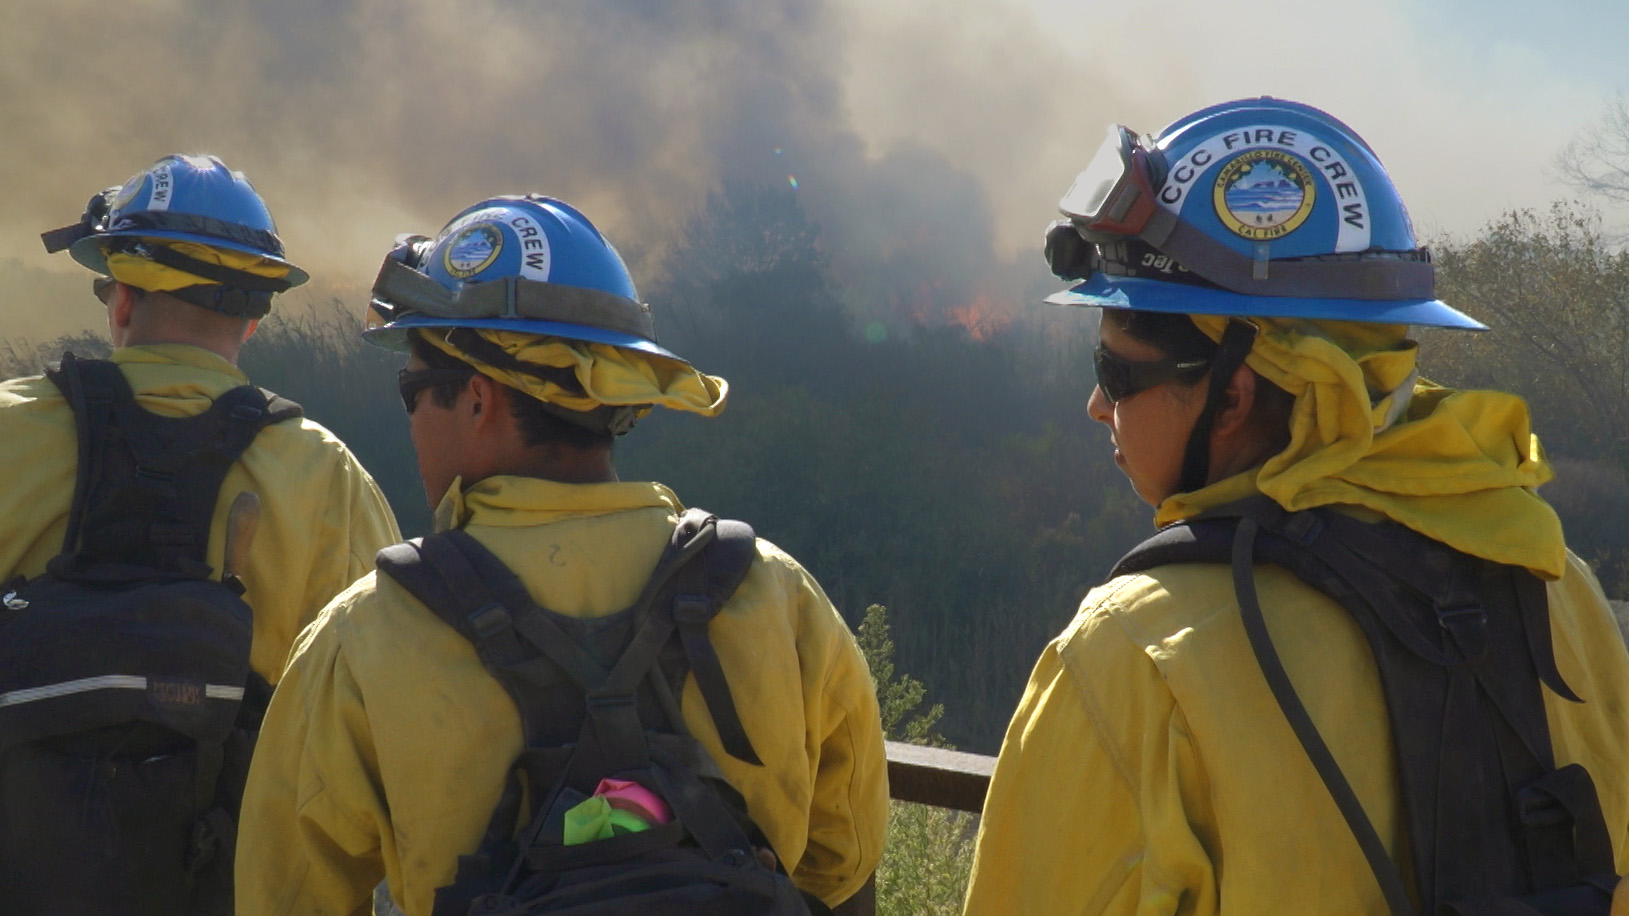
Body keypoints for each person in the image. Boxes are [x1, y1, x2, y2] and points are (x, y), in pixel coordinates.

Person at [963, 99, 1629, 914]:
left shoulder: (1135, 653)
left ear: (1233, 394)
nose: (1097, 410)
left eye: (1115, 374)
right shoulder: (1559, 585)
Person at [235, 195, 888, 916]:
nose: (412, 419)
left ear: (478, 400)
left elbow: (287, 895)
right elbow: (842, 863)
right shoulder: (779, 596)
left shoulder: (361, 639)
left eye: (411, 390)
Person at [1, 154, 400, 911]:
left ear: (120, 299)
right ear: (252, 317)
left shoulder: (8, 433)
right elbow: (381, 741)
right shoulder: (328, 481)